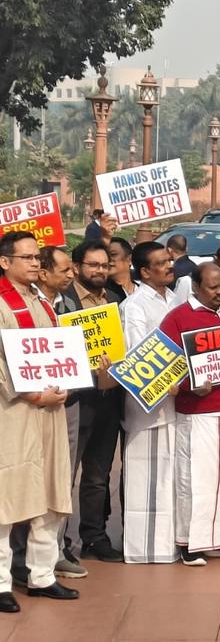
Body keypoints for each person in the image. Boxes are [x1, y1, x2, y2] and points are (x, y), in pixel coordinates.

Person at [0, 231, 78, 613]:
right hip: (14, 412)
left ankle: (42, 575)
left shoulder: (43, 302)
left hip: (50, 411)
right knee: (7, 495)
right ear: (5, 262)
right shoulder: (3, 303)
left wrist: (67, 380)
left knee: (50, 492)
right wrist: (31, 394)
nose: (35, 263)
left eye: (36, 257)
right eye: (27, 257)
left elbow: (58, 351)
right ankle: (1, 582)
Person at [158, 263, 220, 565]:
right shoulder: (177, 318)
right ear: (196, 287)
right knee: (194, 480)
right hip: (196, 412)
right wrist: (189, 386)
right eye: (213, 287)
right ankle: (190, 543)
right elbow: (165, 365)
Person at [63, 241, 125, 564]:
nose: (100, 270)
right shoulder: (63, 303)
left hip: (108, 400)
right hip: (75, 401)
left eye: (105, 265)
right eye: (93, 265)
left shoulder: (114, 299)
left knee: (98, 476)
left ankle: (94, 536)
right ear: (76, 267)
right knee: (66, 476)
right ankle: (60, 543)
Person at [119, 241, 179, 564]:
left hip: (177, 401)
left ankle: (169, 543)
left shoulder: (175, 298)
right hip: (148, 402)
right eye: (162, 262)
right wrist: (166, 379)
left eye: (169, 260)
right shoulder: (135, 305)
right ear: (144, 272)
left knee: (170, 474)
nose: (170, 266)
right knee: (144, 475)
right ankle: (142, 548)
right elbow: (136, 349)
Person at [106, 237, 136, 302]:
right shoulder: (103, 293)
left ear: (130, 259)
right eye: (105, 256)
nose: (107, 259)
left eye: (113, 254)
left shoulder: (144, 288)